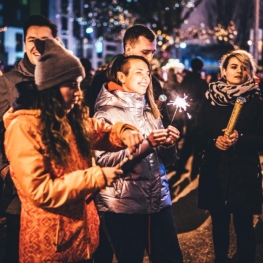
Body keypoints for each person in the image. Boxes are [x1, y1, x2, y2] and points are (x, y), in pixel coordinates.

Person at [3, 38, 143, 263]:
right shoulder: (24, 127)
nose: (79, 92)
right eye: (71, 85)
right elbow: (39, 190)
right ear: (50, 87)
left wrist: (124, 132)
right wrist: (95, 176)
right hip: (50, 247)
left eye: (79, 83)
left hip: (81, 239)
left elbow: (99, 131)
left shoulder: (69, 117)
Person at [93, 54, 184, 263]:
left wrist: (169, 144)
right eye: (139, 72)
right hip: (123, 206)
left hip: (158, 202)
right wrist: (147, 144)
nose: (146, 77)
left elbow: (167, 161)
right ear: (121, 76)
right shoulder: (106, 113)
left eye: (148, 72)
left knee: (170, 258)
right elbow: (104, 162)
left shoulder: (150, 110)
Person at [193, 49, 263, 263]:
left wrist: (239, 137)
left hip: (244, 173)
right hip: (216, 171)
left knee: (244, 227)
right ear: (223, 70)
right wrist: (215, 141)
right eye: (234, 66)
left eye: (244, 67)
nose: (239, 71)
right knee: (219, 226)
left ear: (250, 72)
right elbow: (198, 133)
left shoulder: (256, 101)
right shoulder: (209, 99)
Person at [0, 14, 58, 263]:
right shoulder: (8, 83)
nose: (37, 45)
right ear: (24, 43)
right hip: (20, 198)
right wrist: (5, 170)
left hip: (59, 193)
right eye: (32, 39)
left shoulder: (66, 82)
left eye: (45, 40)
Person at [87, 24, 164, 117]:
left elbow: (163, 118)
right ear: (128, 49)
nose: (150, 58)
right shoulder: (103, 79)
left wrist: (167, 130)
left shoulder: (153, 82)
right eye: (145, 52)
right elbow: (92, 119)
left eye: (152, 52)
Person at [176, 57, 208, 178]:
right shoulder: (200, 82)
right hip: (198, 116)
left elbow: (181, 95)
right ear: (200, 68)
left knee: (188, 142)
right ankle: (195, 170)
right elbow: (204, 100)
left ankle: (180, 166)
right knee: (198, 144)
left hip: (187, 113)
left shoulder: (185, 80)